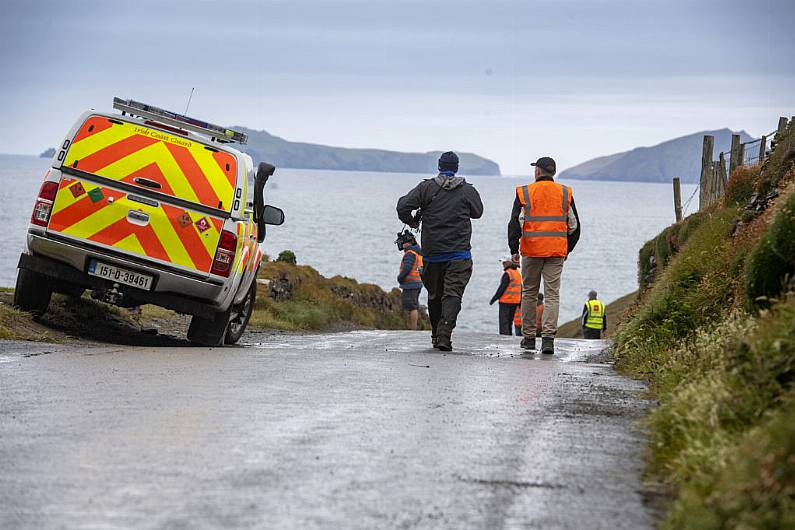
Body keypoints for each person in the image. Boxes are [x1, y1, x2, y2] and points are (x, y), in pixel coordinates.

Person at [396, 151, 484, 351]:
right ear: (457, 167)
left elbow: (402, 206)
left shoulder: (425, 188)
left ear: (439, 166)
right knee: (453, 294)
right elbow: (478, 213)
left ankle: (436, 335)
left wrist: (411, 221)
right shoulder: (468, 190)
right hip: (459, 253)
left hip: (432, 253)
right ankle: (444, 334)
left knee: (435, 295)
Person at [508, 156, 581, 354]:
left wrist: (514, 250)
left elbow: (515, 223)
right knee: (552, 295)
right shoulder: (565, 193)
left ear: (538, 171)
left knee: (529, 293)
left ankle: (529, 338)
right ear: (553, 172)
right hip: (556, 252)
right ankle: (548, 340)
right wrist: (566, 249)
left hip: (531, 251)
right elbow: (574, 226)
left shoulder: (524, 192)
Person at [397, 232, 423, 330]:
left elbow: (407, 268)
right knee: (413, 305)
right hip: (417, 283)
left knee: (412, 307)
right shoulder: (417, 252)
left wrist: (400, 278)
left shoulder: (410, 254)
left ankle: (412, 329)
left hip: (410, 284)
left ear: (407, 243)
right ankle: (412, 328)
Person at [489, 257, 521, 335]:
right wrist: (520, 302)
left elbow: (502, 288)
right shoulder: (517, 273)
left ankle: (504, 338)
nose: (503, 265)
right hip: (515, 301)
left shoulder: (508, 274)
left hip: (506, 301)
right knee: (509, 322)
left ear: (508, 263)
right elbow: (520, 288)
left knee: (504, 323)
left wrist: (493, 299)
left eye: (504, 263)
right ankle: (509, 337)